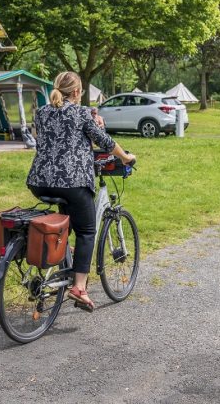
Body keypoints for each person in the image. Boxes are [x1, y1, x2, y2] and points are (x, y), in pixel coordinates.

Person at [27, 71, 135, 312]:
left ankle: (62, 260)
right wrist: (126, 157)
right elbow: (104, 142)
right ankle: (79, 287)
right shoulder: (81, 113)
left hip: (39, 181)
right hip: (72, 182)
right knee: (87, 231)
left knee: (67, 223)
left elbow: (43, 141)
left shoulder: (42, 112)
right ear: (76, 92)